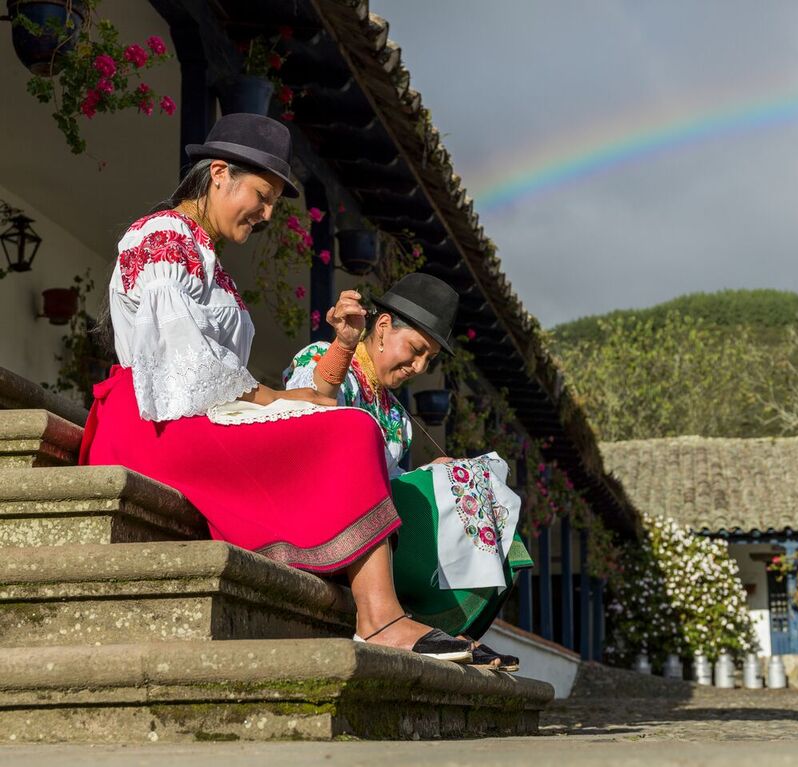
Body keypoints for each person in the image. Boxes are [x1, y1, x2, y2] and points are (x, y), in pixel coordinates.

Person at [79, 113, 472, 663]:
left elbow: (209, 367)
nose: (266, 214)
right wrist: (277, 398)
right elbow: (182, 359)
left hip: (190, 416)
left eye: (272, 204)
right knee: (350, 428)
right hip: (153, 423)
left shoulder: (204, 255)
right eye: (262, 196)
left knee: (349, 428)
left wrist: (282, 399)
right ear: (219, 173)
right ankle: (379, 616)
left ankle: (387, 611)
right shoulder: (161, 235)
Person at [285, 273, 533, 670]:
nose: (418, 366)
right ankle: (389, 621)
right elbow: (308, 415)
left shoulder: (397, 416)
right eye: (416, 349)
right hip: (320, 515)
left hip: (376, 530)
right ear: (383, 328)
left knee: (480, 493)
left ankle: (452, 628)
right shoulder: (326, 357)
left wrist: (428, 475)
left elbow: (388, 479)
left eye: (428, 360)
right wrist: (342, 346)